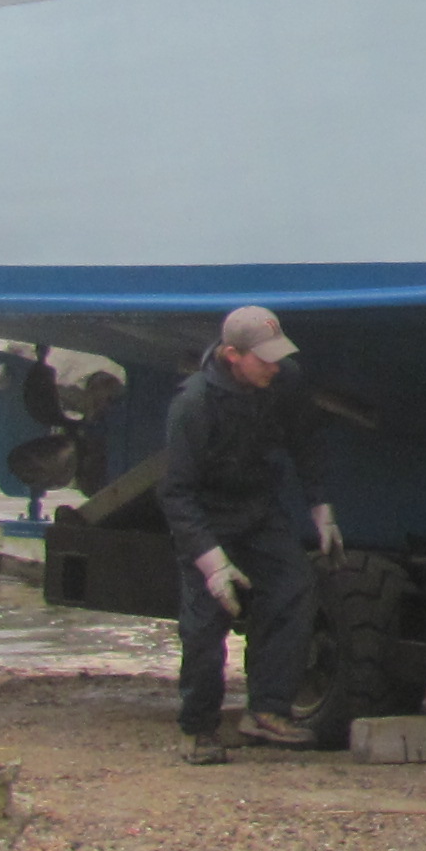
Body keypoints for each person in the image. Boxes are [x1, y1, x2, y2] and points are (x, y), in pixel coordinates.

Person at [160, 304, 341, 763]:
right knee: (204, 628)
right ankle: (198, 728)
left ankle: (268, 709)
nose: (275, 366)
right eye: (264, 359)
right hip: (206, 521)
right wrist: (213, 564)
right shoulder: (194, 404)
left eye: (279, 356)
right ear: (232, 355)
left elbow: (305, 439)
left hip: (259, 510)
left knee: (295, 588)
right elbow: (176, 495)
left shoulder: (285, 379)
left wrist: (320, 506)